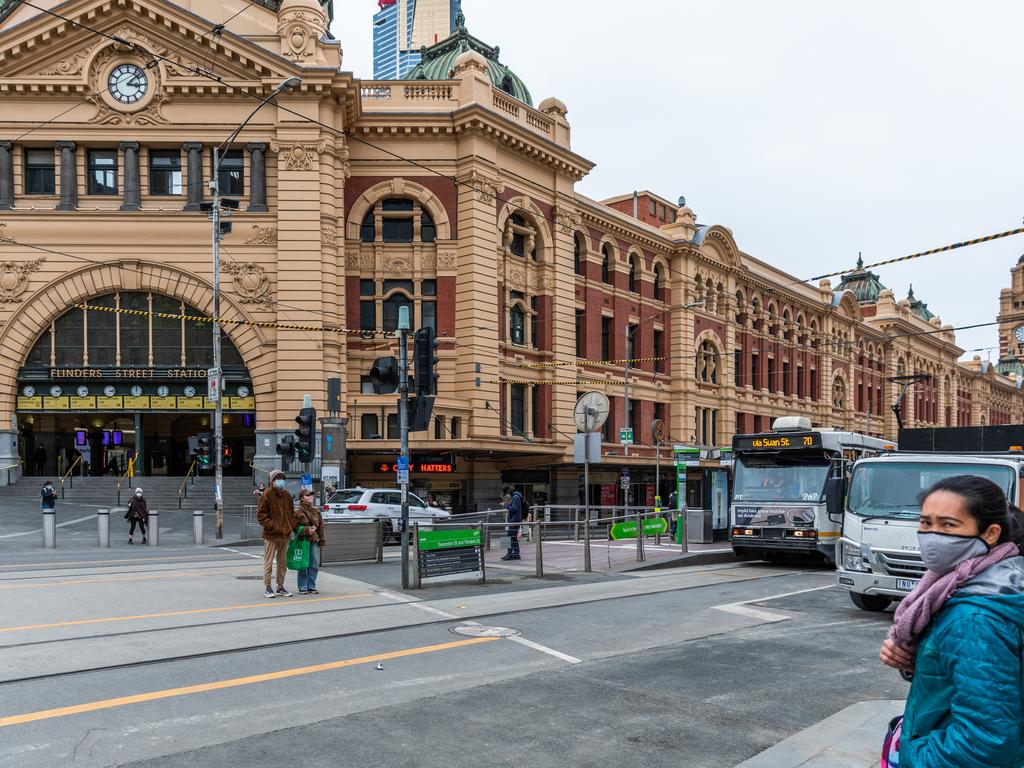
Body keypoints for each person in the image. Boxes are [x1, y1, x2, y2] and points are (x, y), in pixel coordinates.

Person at [879, 475, 1024, 768]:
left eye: (948, 525)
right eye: (926, 523)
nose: (933, 536)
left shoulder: (976, 616)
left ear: (991, 533)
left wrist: (911, 755)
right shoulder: (973, 582)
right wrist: (918, 662)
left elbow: (986, 741)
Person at [256, 469, 296, 598]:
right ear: (272, 481)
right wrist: (273, 526)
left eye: (282, 478)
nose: (281, 480)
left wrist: (290, 526)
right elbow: (261, 515)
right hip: (271, 534)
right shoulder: (266, 494)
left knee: (282, 562)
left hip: (284, 534)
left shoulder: (287, 495)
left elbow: (292, 513)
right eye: (278, 478)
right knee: (268, 562)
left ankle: (280, 586)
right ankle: (268, 587)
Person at [293, 488, 325, 595]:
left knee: (314, 564)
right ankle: (302, 586)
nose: (310, 496)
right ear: (302, 498)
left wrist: (322, 539)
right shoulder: (297, 511)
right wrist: (306, 530)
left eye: (311, 494)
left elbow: (321, 527)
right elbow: (294, 527)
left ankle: (311, 586)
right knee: (303, 564)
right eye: (307, 495)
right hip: (303, 541)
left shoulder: (316, 511)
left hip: (314, 540)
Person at [501, 486, 524, 561]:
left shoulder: (515, 497)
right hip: (516, 520)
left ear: (508, 492)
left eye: (507, 493)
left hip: (514, 520)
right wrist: (508, 504)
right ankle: (516, 554)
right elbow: (515, 507)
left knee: (509, 537)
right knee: (513, 537)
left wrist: (506, 505)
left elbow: (514, 509)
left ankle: (510, 554)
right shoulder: (517, 496)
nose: (508, 495)